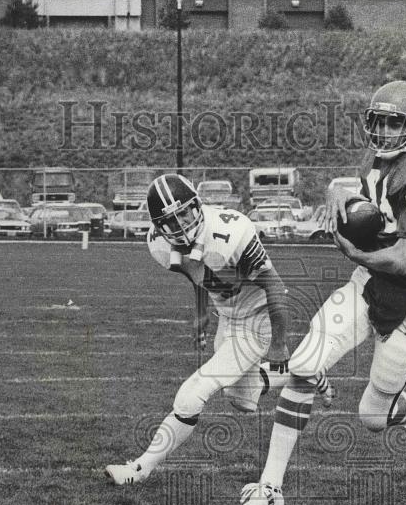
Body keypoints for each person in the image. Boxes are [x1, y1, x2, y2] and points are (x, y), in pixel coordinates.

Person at [239, 80, 406, 505]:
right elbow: (374, 210)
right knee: (303, 366)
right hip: (366, 283)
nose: (382, 131)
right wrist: (341, 193)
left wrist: (354, 251)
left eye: (393, 123)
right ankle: (269, 486)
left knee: (372, 418)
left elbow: (404, 258)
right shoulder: (380, 158)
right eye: (376, 121)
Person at [105, 173, 332, 485]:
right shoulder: (159, 245)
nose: (182, 223)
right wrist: (201, 312)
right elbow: (198, 273)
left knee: (192, 394)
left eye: (184, 212)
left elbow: (275, 286)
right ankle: (306, 371)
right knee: (243, 399)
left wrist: (278, 344)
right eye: (171, 220)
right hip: (228, 316)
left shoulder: (231, 230)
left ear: (197, 205)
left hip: (257, 318)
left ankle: (139, 469)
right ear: (159, 227)